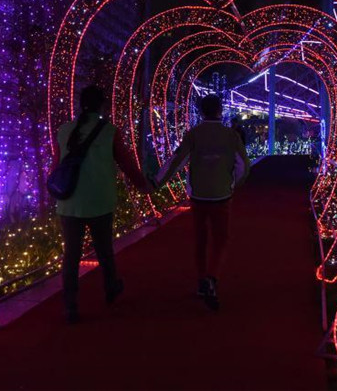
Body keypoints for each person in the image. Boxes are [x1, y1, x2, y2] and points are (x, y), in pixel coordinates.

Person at [54, 85, 152, 323]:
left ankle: (71, 306)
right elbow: (127, 164)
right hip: (100, 200)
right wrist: (144, 185)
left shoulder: (64, 130)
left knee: (71, 255)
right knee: (104, 249)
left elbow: (57, 164)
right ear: (101, 106)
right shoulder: (109, 131)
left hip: (69, 202)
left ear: (80, 105)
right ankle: (110, 288)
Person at [154, 94, 251, 310]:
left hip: (198, 196)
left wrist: (156, 183)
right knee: (221, 239)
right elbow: (244, 165)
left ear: (201, 111)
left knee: (200, 239)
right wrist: (233, 184)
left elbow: (175, 162)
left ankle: (200, 281)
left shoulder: (193, 135)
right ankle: (212, 277)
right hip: (221, 196)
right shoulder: (231, 136)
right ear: (220, 110)